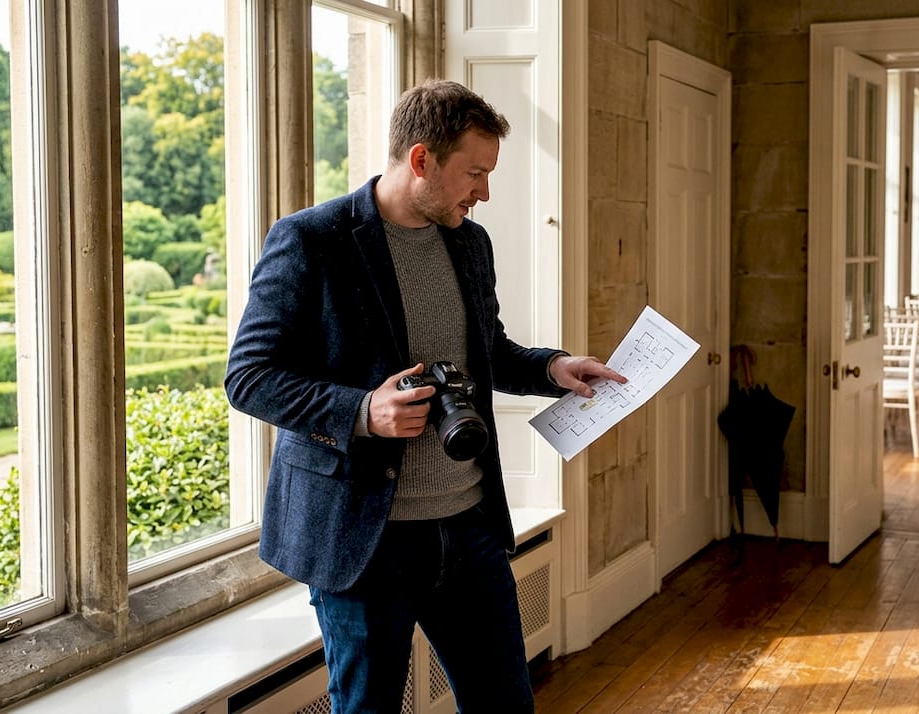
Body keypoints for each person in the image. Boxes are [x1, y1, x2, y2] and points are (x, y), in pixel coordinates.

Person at [224, 79, 626, 712]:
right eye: (474, 173)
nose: (484, 192)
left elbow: (485, 353)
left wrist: (555, 368)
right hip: (363, 539)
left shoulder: (470, 241)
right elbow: (249, 377)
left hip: (468, 527)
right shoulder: (311, 240)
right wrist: (362, 411)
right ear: (420, 160)